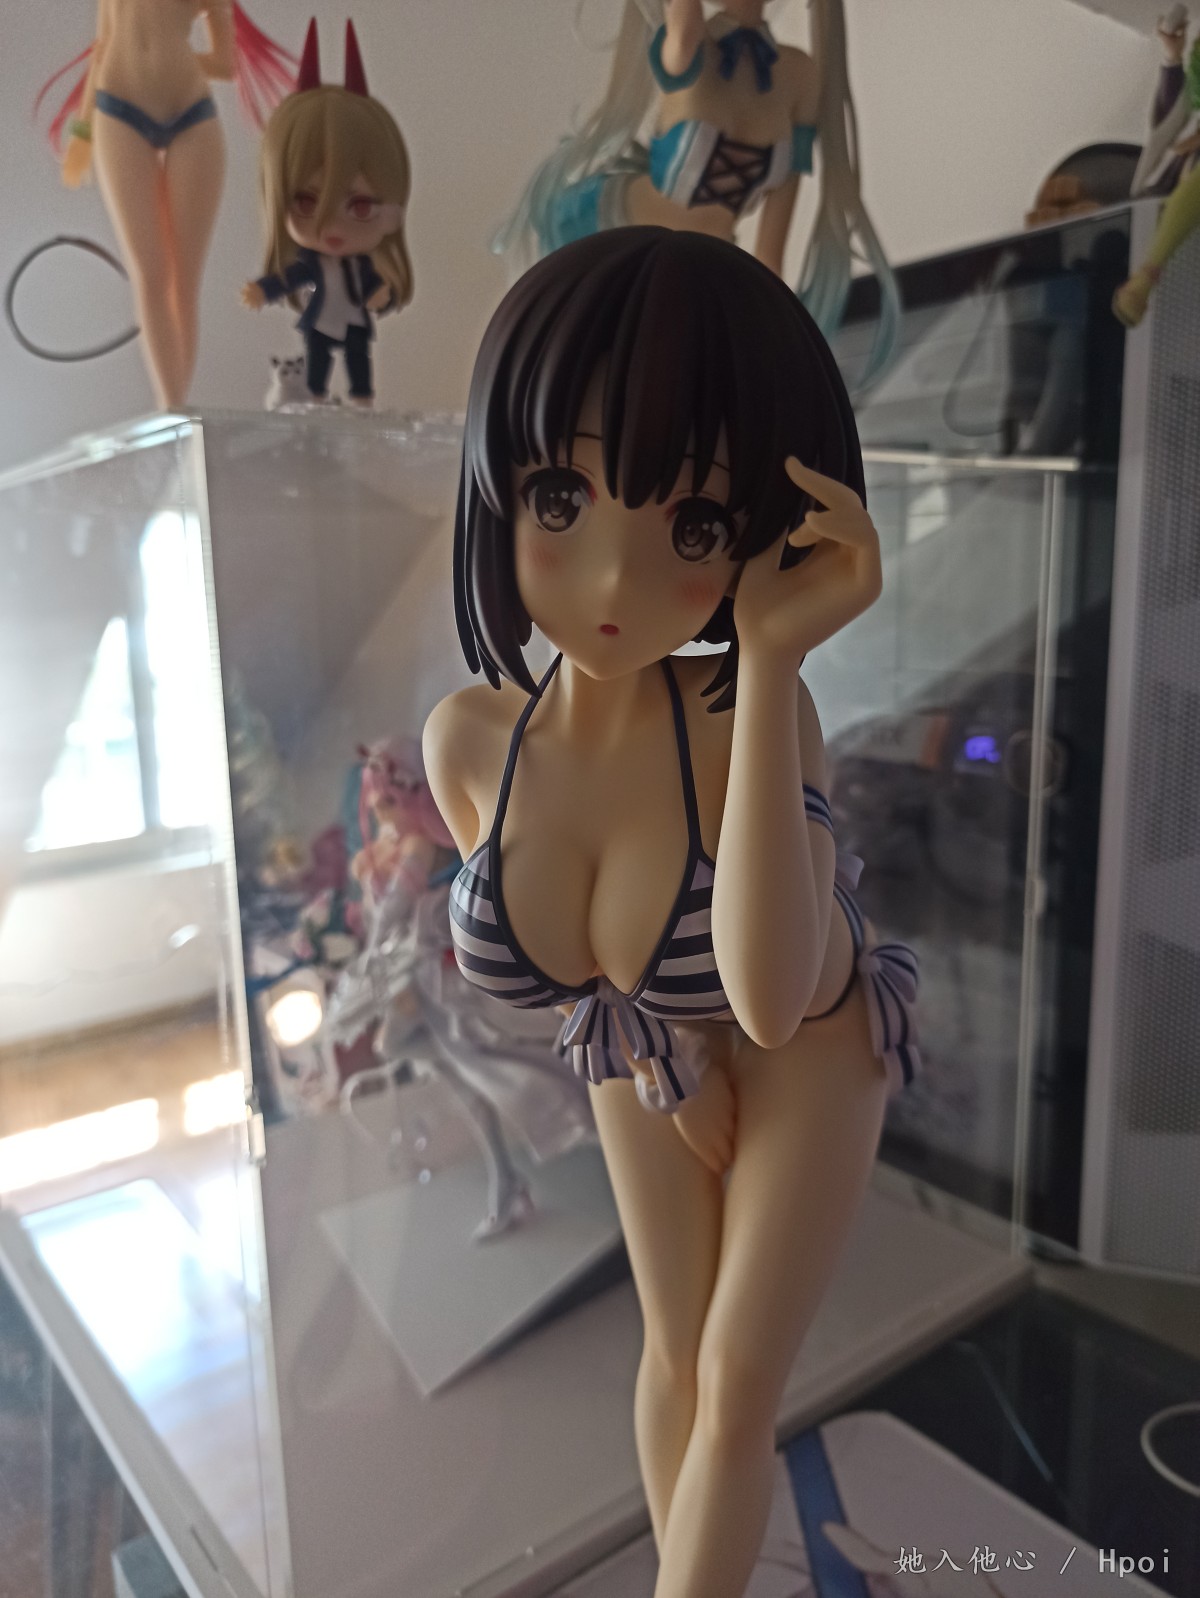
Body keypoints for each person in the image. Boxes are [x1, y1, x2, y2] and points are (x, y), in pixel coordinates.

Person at [423, 227, 919, 1598]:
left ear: (760, 526)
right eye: (560, 496)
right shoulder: (470, 742)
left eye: (693, 526)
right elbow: (581, 985)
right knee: (673, 1356)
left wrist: (772, 651)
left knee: (739, 1380)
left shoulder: (755, 713)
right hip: (647, 1044)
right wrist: (661, 1063)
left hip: (810, 1035)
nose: (609, 584)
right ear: (498, 483)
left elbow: (769, 991)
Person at [495, 0, 899, 387]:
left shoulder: (800, 75)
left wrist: (774, 334)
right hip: (607, 233)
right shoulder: (690, 44)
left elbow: (770, 253)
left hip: (702, 265)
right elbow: (683, 36)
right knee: (579, 376)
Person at [38, 0, 293, 407]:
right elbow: (103, 45)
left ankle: (175, 408)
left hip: (192, 113)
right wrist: (83, 130)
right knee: (151, 273)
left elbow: (226, 65)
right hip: (118, 111)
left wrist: (176, 57)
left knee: (183, 281)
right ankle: (171, 407)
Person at [241, 21, 413, 407]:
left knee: (358, 361)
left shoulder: (361, 267)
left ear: (390, 213)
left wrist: (378, 292)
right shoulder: (309, 266)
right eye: (306, 202)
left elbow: (370, 284)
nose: (332, 226)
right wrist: (264, 290)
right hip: (320, 321)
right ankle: (316, 400)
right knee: (317, 363)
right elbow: (290, 278)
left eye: (360, 206)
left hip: (354, 320)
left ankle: (361, 400)